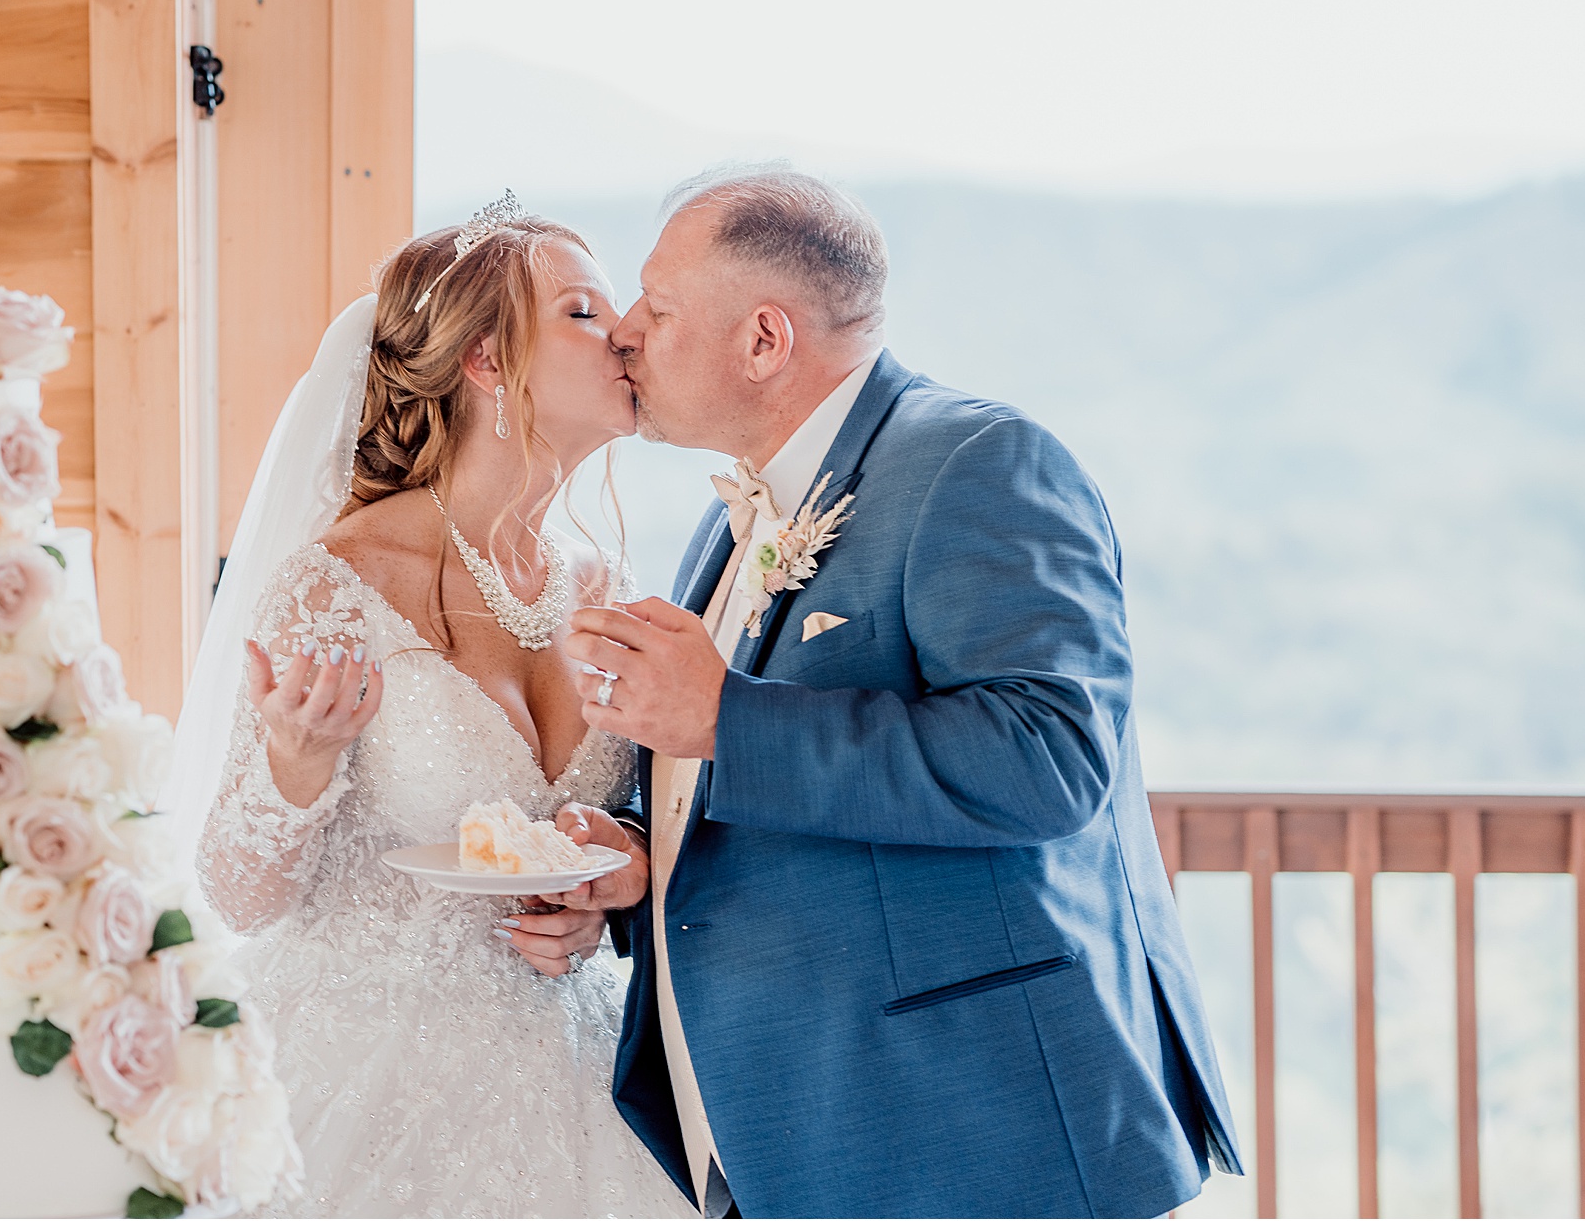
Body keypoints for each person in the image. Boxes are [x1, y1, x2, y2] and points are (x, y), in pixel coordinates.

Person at [550, 167, 1245, 1218]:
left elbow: (1045, 759)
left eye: (658, 304)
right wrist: (635, 857)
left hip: (967, 1134)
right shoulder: (729, 515)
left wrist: (724, 719)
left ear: (763, 340)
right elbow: (737, 789)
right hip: (784, 1127)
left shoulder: (979, 462)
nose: (628, 332)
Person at [169, 196, 693, 1217]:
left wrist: (599, 887)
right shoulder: (337, 584)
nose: (625, 331)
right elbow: (237, 894)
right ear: (488, 364)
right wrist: (294, 762)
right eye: (584, 313)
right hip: (366, 1075)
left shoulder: (603, 583)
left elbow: (626, 824)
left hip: (576, 1070)